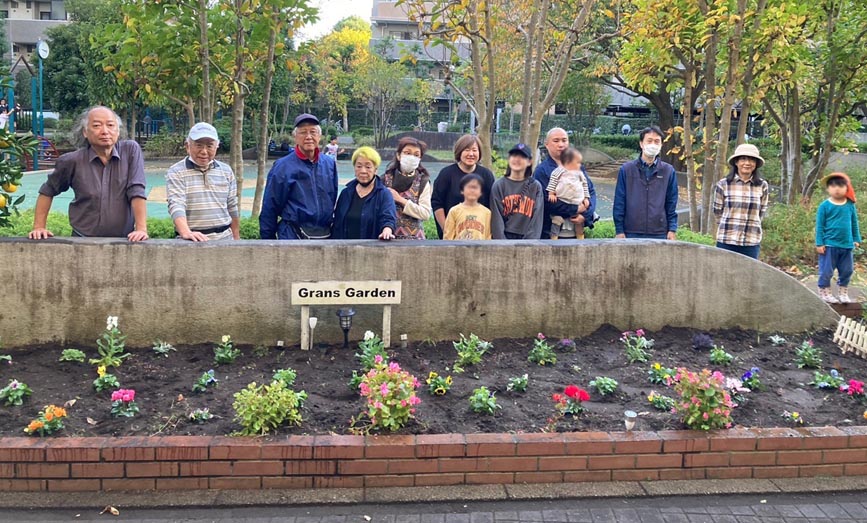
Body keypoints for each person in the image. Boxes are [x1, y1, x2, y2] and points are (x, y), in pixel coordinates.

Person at [29, 106, 148, 241]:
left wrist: (141, 229)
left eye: (110, 125)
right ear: (85, 132)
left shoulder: (130, 150)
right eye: (97, 126)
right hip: (82, 239)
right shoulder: (71, 161)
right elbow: (47, 191)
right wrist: (39, 227)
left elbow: (136, 190)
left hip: (125, 240)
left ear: (118, 130)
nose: (105, 131)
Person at [259, 113, 338, 239]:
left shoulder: (329, 164)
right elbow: (270, 207)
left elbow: (332, 197)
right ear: (295, 137)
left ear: (319, 136)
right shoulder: (282, 167)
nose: (308, 137)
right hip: (293, 235)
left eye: (313, 132)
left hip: (325, 235)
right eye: (303, 132)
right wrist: (268, 242)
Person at [165, 122, 239, 242]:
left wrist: (236, 238)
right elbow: (176, 204)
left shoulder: (226, 171)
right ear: (187, 146)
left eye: (209, 146)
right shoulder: (176, 171)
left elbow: (232, 206)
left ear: (217, 146)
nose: (204, 151)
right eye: (198, 145)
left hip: (225, 239)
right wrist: (186, 232)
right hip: (190, 241)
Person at [613, 126, 678, 240]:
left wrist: (672, 229)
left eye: (657, 141)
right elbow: (619, 201)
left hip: (659, 232)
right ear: (641, 144)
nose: (653, 144)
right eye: (649, 141)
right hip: (631, 231)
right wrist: (619, 230)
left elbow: (671, 202)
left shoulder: (668, 171)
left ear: (661, 145)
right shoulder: (627, 170)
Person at [534, 127, 597, 239]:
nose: (561, 144)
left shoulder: (578, 167)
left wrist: (585, 215)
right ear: (547, 144)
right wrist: (575, 209)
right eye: (556, 141)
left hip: (577, 232)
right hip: (551, 233)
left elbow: (590, 191)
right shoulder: (541, 171)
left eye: (564, 140)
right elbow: (546, 202)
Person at [432, 134, 495, 238]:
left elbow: (491, 205)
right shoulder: (447, 174)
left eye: (474, 150)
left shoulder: (486, 175)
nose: (471, 154)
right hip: (453, 235)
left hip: (480, 235)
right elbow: (437, 203)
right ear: (459, 151)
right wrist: (447, 230)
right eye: (466, 150)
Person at [712, 143, 769, 259]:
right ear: (736, 162)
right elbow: (717, 212)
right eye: (743, 159)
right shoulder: (724, 184)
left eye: (751, 160)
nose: (747, 163)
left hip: (751, 242)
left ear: (756, 164)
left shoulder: (762, 186)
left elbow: (761, 212)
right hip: (727, 241)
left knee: (749, 276)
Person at [331, 147, 396, 240]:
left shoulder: (384, 194)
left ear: (375, 169)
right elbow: (337, 222)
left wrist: (387, 230)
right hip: (345, 249)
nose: (363, 171)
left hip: (371, 250)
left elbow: (388, 218)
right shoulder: (346, 193)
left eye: (368, 167)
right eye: (359, 166)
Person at [816, 172, 861, 303]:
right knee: (826, 271)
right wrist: (819, 243)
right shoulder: (824, 206)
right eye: (833, 185)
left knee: (847, 270)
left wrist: (856, 238)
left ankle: (843, 292)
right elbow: (820, 226)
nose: (837, 188)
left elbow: (854, 223)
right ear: (828, 188)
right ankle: (825, 292)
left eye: (841, 185)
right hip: (829, 245)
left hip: (846, 245)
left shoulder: (850, 205)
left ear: (847, 187)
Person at [382, 137, 433, 239]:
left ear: (420, 159)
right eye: (407, 153)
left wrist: (400, 200)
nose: (411, 157)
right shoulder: (384, 179)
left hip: (415, 239)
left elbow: (425, 213)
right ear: (398, 155)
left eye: (416, 155)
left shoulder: (423, 182)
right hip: (388, 237)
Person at [491, 144, 544, 240]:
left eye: (522, 156)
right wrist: (502, 244)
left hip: (527, 240)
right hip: (504, 238)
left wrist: (529, 244)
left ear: (529, 162)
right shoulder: (499, 186)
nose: (517, 159)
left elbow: (536, 221)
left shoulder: (535, 187)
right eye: (514, 155)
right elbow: (496, 220)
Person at [546, 147, 590, 240]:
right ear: (568, 162)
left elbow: (585, 184)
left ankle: (580, 239)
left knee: (579, 222)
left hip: (577, 200)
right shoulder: (559, 171)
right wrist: (551, 193)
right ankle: (554, 239)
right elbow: (553, 181)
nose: (579, 165)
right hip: (562, 199)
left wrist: (586, 197)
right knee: (557, 219)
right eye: (577, 162)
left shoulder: (579, 173)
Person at [443, 173, 492, 240]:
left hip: (480, 249)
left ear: (481, 192)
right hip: (459, 249)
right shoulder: (454, 211)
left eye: (475, 188)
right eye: (469, 187)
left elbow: (488, 236)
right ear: (462, 190)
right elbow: (448, 236)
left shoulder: (487, 213)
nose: (472, 190)